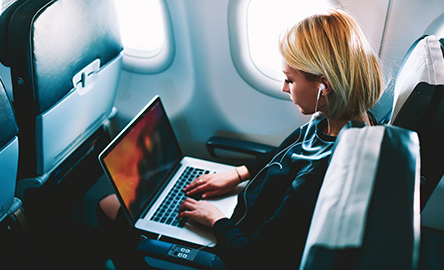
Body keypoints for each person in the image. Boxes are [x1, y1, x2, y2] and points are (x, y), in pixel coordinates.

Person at [98, 8, 383, 269]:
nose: (284, 88)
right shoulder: (337, 122)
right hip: (244, 213)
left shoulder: (320, 175)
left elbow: (254, 259)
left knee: (111, 206)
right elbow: (281, 156)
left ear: (324, 86)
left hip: (234, 244)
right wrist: (237, 174)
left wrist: (215, 220)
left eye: (290, 79)